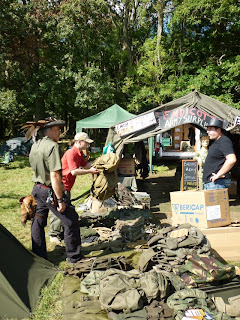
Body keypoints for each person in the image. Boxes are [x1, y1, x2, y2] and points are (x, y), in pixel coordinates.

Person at [29, 118, 82, 263]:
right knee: (71, 221)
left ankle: (39, 256)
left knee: (38, 221)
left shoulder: (36, 145)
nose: (60, 133)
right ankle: (74, 257)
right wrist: (60, 199)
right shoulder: (52, 146)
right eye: (58, 130)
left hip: (37, 189)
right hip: (49, 191)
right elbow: (55, 174)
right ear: (52, 130)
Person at [49, 132, 98, 244]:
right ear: (79, 142)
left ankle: (59, 232)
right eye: (86, 143)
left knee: (64, 209)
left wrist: (98, 164)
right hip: (61, 185)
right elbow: (74, 171)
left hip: (67, 186)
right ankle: (53, 235)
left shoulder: (79, 153)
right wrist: (90, 171)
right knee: (58, 209)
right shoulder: (71, 153)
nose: (88, 145)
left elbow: (85, 165)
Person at [203, 118, 236, 190]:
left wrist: (218, 175)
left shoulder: (224, 141)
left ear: (218, 130)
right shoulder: (216, 142)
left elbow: (231, 159)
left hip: (217, 183)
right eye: (207, 129)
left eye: (210, 129)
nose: (207, 132)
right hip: (213, 184)